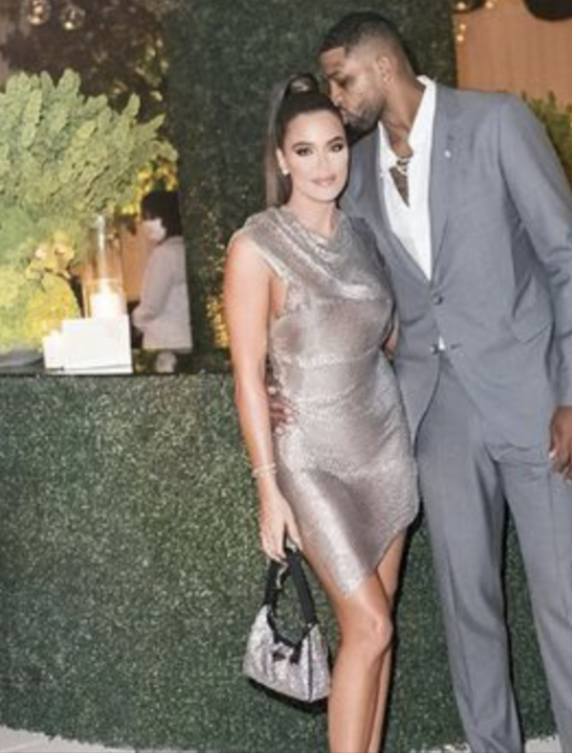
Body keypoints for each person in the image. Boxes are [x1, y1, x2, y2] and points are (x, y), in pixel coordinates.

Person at [316, 12, 572, 753]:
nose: (337, 97)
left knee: (566, 602)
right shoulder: (357, 173)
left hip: (535, 400)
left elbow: (566, 259)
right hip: (437, 418)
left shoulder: (496, 124)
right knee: (467, 611)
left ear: (382, 66)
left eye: (342, 79)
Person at [223, 74, 418, 753]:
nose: (323, 164)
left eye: (334, 146)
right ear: (282, 159)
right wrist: (267, 487)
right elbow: (247, 376)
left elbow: (387, 338)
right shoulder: (256, 246)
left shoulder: (363, 235)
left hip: (384, 446)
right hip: (310, 459)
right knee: (370, 625)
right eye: (304, 151)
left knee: (377, 632)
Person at [131, 190, 193, 372]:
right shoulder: (184, 249)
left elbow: (151, 306)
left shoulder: (164, 255)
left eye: (151, 217)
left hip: (164, 345)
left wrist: (134, 320)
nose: (146, 224)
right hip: (185, 340)